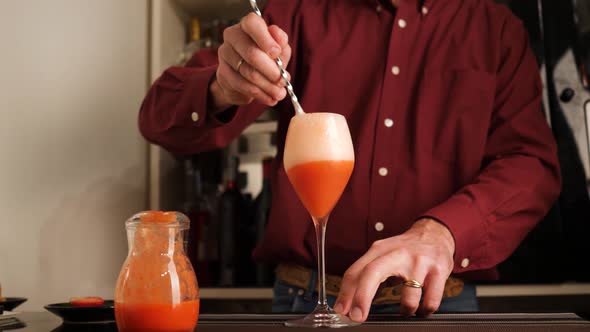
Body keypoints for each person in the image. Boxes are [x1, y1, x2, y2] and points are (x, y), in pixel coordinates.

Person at [138, 0, 561, 322]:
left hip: (435, 305)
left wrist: (443, 233)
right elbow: (158, 119)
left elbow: (532, 164)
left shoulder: (495, 27)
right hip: (303, 303)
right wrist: (222, 87)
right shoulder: (301, 9)